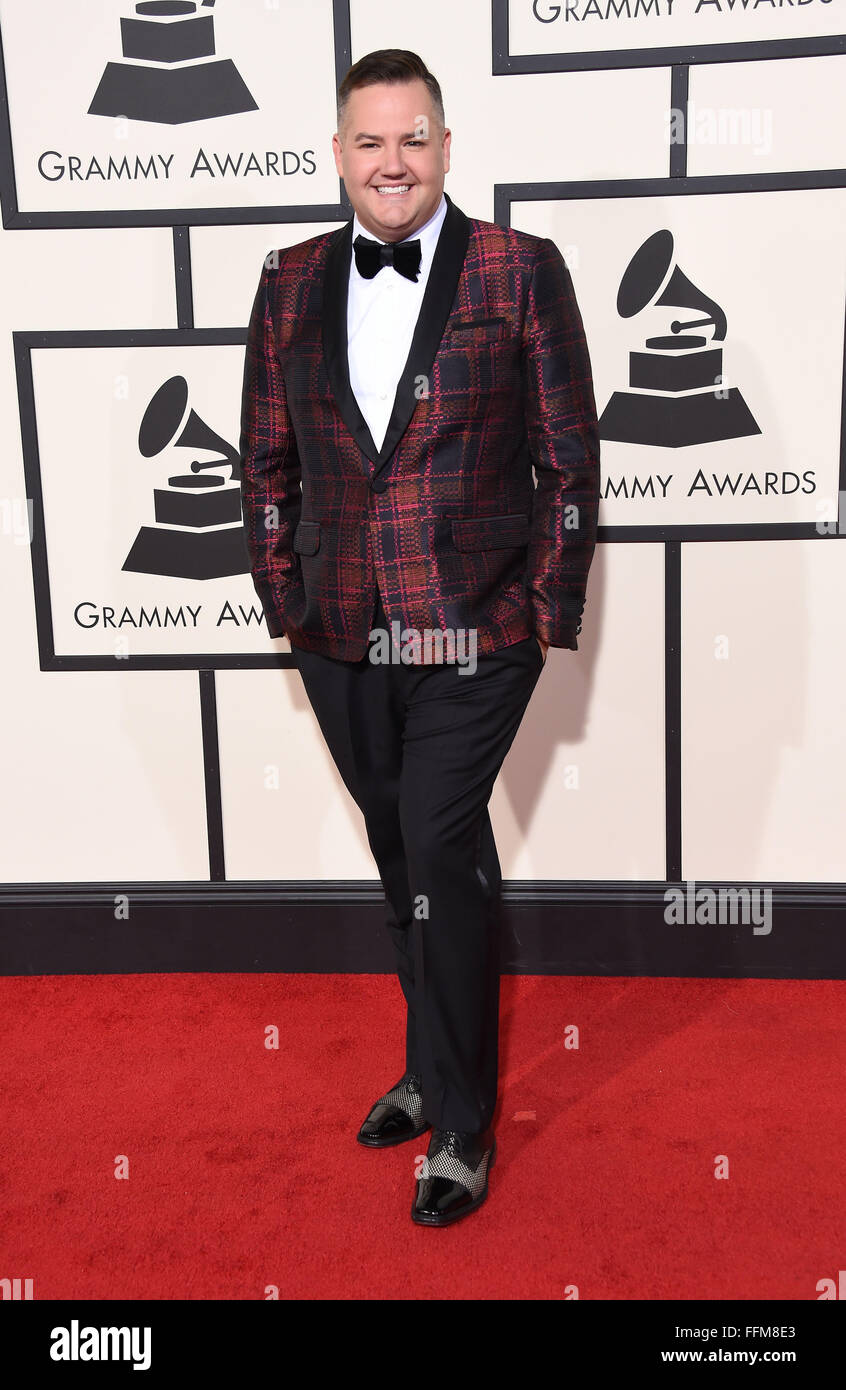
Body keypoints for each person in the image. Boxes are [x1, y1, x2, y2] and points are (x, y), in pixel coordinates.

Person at [239, 48, 600, 1226]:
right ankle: (428, 1063)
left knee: (440, 846)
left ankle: (459, 1123)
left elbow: (567, 460)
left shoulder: (518, 269)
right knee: (402, 852)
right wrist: (286, 600)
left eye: (413, 138)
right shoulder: (289, 279)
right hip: (339, 629)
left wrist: (539, 620)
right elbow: (266, 464)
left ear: (446, 146)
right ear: (338, 153)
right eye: (368, 141)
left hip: (472, 628)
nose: (391, 161)